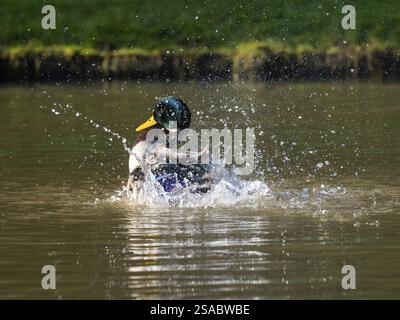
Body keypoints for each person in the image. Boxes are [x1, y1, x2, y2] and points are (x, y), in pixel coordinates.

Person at [127, 96, 212, 195]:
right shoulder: (165, 145)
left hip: (159, 190)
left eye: (158, 113)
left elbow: (158, 152)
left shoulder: (151, 148)